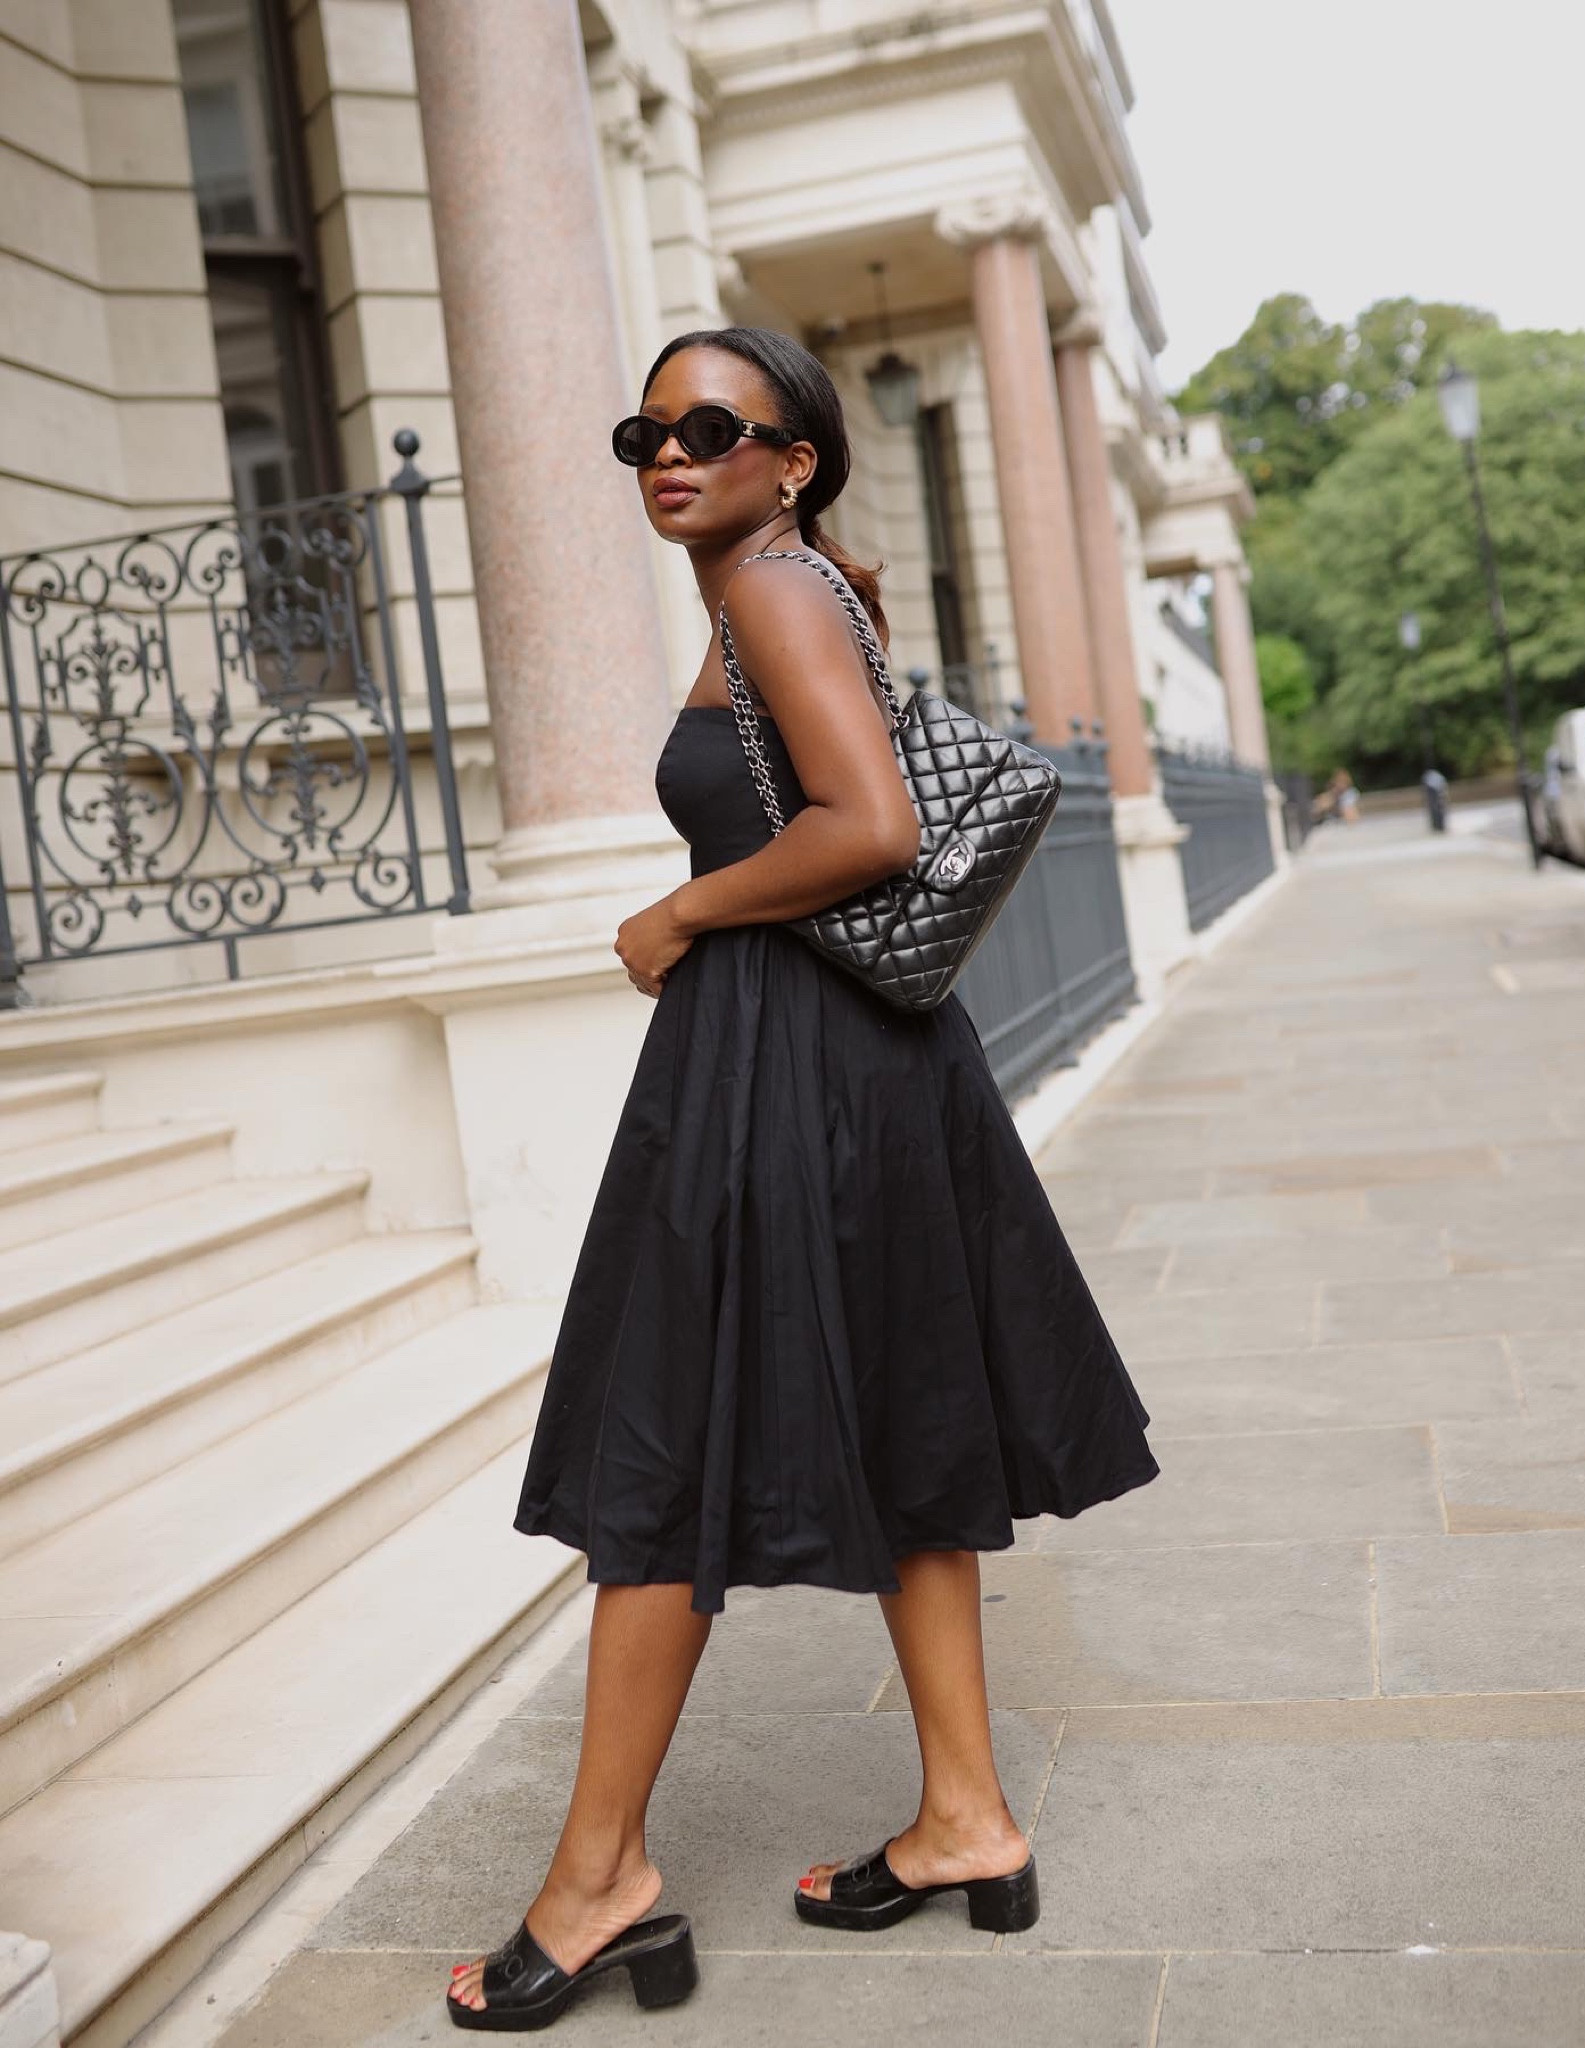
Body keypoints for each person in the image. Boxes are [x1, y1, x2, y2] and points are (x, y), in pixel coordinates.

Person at [446, 327, 1160, 2029]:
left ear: (795, 460)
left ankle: (598, 1879)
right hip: (853, 1069)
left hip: (786, 1070)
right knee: (910, 1427)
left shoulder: (770, 587)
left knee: (654, 1444)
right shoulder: (784, 587)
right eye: (645, 429)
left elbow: (871, 827)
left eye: (712, 427)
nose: (668, 454)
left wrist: (676, 913)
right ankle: (968, 1822)